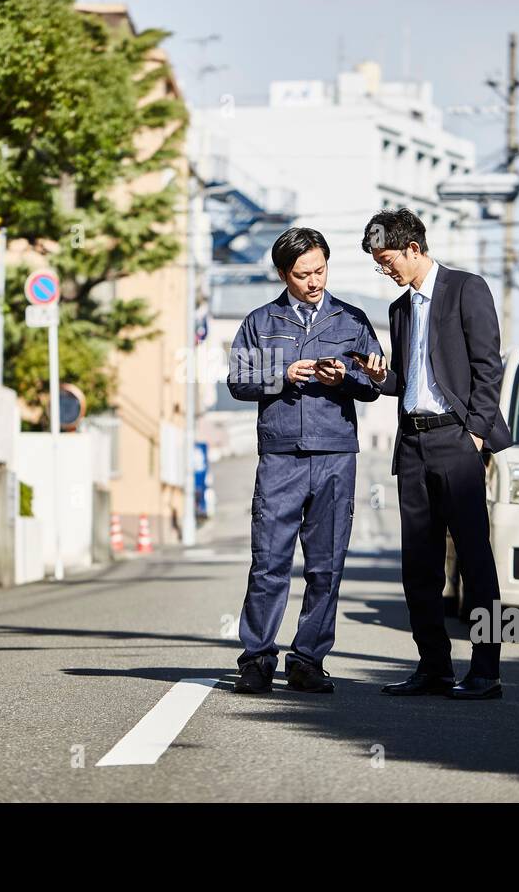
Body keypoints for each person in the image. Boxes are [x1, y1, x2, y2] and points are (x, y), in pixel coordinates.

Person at [352, 209, 513, 700]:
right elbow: (405, 382)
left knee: (474, 559)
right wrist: (380, 377)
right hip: (413, 445)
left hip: (458, 441)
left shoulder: (468, 289)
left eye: (387, 261)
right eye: (379, 265)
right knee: (418, 565)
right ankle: (434, 667)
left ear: (413, 249)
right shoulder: (399, 310)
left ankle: (486, 672)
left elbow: (489, 367)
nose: (386, 271)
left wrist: (478, 437)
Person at [226, 227, 383, 694]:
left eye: (320, 270)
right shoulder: (260, 321)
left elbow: (373, 383)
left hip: (336, 454)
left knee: (325, 564)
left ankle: (308, 660)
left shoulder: (351, 319)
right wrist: (281, 374)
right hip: (280, 457)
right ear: (282, 274)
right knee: (269, 560)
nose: (314, 281)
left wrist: (345, 378)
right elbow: (238, 378)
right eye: (302, 274)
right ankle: (257, 659)